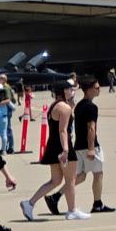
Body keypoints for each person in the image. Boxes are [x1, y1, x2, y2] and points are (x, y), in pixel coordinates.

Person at [21, 85, 75, 221]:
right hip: (62, 145)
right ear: (64, 91)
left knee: (55, 180)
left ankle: (29, 203)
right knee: (70, 180)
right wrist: (66, 149)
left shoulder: (55, 105)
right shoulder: (65, 107)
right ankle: (72, 210)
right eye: (70, 89)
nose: (73, 91)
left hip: (52, 145)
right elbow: (63, 130)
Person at [71, 72, 112, 215]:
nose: (99, 89)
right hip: (89, 146)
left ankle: (55, 196)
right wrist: (91, 148)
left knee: (80, 176)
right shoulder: (91, 107)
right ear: (89, 89)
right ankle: (97, 204)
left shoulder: (79, 105)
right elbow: (91, 128)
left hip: (78, 146)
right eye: (97, 87)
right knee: (98, 174)